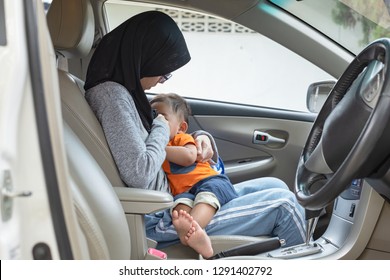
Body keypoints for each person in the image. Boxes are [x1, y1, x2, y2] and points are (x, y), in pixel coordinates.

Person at [84, 10, 306, 258]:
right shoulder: (112, 97)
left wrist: (200, 139)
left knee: (276, 184)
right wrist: (161, 125)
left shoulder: (125, 92)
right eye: (163, 71)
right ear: (144, 56)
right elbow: (139, 171)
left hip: (177, 195)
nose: (163, 80)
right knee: (287, 207)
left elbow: (152, 141)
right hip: (163, 212)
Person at [150, 93, 239, 258]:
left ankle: (195, 230)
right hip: (185, 192)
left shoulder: (181, 138)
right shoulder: (154, 141)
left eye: (163, 117)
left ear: (181, 127)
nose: (156, 121)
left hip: (210, 181)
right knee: (179, 208)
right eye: (153, 116)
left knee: (206, 198)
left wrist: (158, 149)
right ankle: (187, 232)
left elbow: (189, 156)